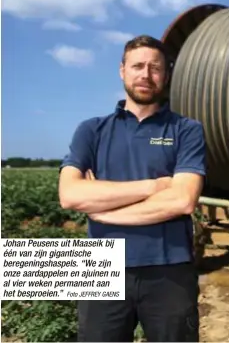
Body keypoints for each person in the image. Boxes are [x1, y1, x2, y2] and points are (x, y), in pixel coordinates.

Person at [58, 35, 206, 342]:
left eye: (155, 67)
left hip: (170, 268)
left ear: (166, 75)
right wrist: (154, 186)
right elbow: (70, 195)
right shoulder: (91, 130)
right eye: (137, 66)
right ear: (122, 70)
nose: (145, 74)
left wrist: (104, 212)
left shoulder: (186, 130)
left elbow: (181, 201)